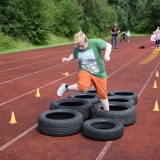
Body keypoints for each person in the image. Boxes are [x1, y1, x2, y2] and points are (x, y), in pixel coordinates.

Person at [57, 31, 112, 111]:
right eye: (78, 46)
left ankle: (107, 112)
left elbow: (109, 45)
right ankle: (66, 87)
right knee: (83, 86)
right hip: (84, 70)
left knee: (103, 95)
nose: (80, 48)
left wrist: (107, 55)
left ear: (86, 41)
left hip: (99, 73)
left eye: (82, 46)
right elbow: (74, 54)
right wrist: (68, 59)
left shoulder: (95, 43)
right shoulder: (77, 47)